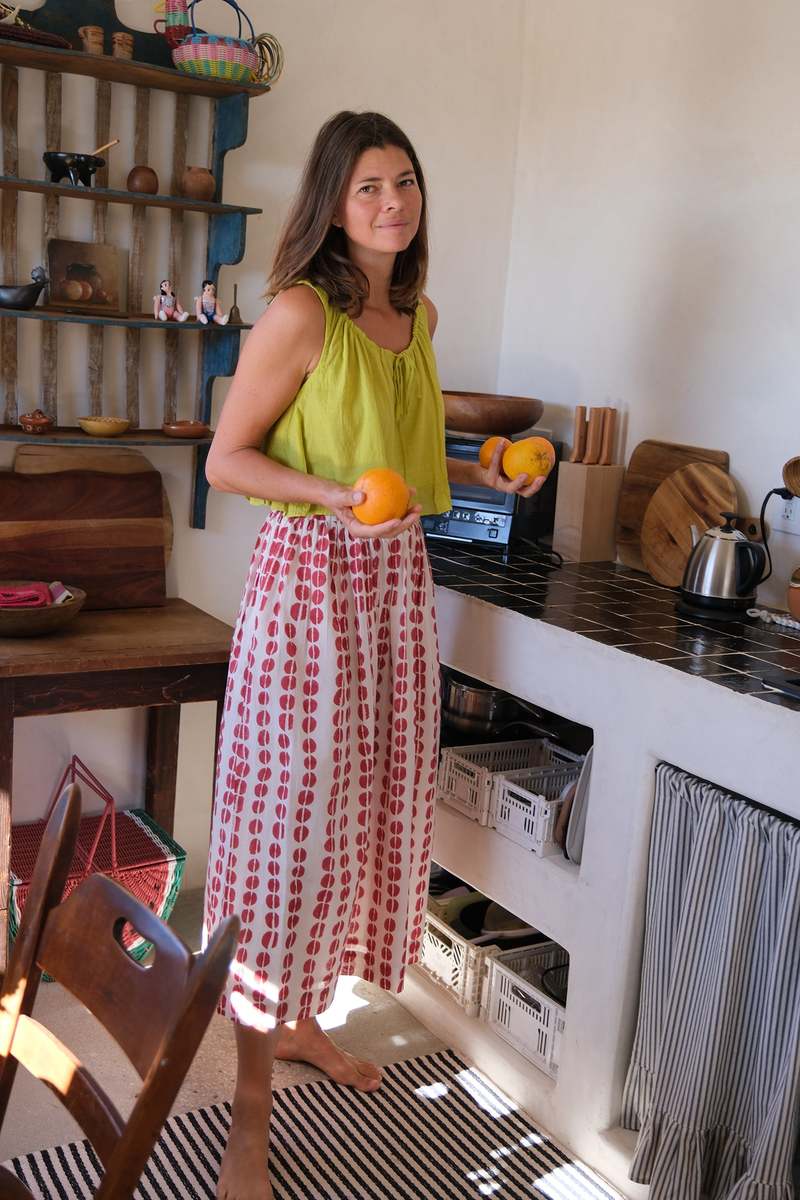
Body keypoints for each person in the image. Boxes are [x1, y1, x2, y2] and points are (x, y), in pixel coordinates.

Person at [202, 110, 546, 1200]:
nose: (392, 203)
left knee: (362, 811)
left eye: (404, 182)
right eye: (367, 188)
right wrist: (335, 494)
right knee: (286, 837)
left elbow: (402, 424)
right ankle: (247, 1117)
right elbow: (225, 459)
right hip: (309, 585)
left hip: (395, 583)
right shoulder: (299, 312)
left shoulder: (416, 314)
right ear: (332, 204)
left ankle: (303, 1022)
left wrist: (486, 464)